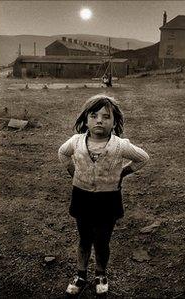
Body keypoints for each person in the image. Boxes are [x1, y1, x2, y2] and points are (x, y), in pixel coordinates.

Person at [58, 94, 149, 296]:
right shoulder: (76, 141)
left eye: (106, 116)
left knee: (102, 240)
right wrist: (74, 172)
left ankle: (101, 274)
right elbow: (62, 153)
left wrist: (122, 173)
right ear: (86, 119)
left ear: (115, 122)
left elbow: (143, 158)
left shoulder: (120, 145)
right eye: (94, 115)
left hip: (108, 200)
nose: (99, 120)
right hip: (82, 197)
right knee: (84, 238)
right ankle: (81, 275)